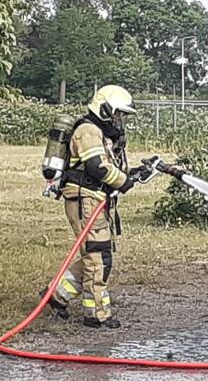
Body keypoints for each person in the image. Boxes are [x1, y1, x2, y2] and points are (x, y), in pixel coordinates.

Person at [48, 85, 145, 329]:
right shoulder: (88, 130)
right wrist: (124, 182)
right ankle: (97, 315)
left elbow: (105, 167)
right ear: (104, 108)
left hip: (93, 200)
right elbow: (97, 168)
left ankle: (57, 295)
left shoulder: (100, 132)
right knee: (98, 257)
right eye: (118, 113)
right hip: (85, 201)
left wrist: (131, 174)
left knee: (95, 255)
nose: (119, 119)